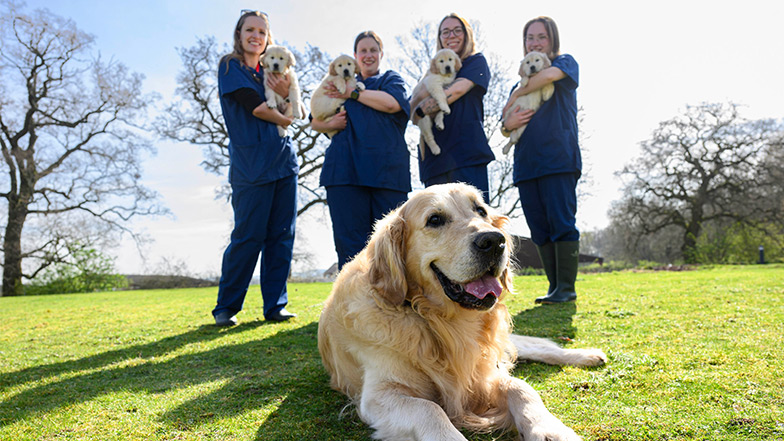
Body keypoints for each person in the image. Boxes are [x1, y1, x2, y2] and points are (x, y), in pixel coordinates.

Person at [212, 10, 299, 326]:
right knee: (248, 236)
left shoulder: (273, 71)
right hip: (251, 166)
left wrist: (288, 97)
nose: (256, 36)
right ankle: (227, 307)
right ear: (240, 33)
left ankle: (275, 306)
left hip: (284, 163)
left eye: (262, 32)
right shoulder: (230, 66)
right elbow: (259, 108)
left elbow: (290, 103)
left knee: (282, 235)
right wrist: (286, 116)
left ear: (268, 38)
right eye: (250, 30)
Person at [312, 31, 411, 270]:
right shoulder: (335, 82)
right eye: (363, 51)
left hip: (387, 175)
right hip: (344, 173)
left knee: (393, 245)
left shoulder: (390, 80)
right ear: (355, 57)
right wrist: (328, 124)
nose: (368, 55)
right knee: (350, 248)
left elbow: (392, 103)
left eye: (373, 50)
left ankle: (397, 304)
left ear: (381, 54)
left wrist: (353, 93)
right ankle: (354, 305)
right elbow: (314, 119)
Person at [501, 16, 581, 304]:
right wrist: (507, 124)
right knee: (539, 227)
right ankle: (554, 287)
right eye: (529, 38)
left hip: (558, 159)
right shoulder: (516, 86)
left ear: (552, 41)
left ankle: (567, 289)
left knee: (562, 221)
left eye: (541, 37)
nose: (534, 42)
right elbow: (505, 122)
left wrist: (520, 92)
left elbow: (546, 78)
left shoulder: (565, 64)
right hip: (526, 165)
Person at [410, 13, 494, 202]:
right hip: (434, 161)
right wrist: (417, 109)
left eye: (457, 30)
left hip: (467, 154)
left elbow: (456, 91)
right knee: (437, 226)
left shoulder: (474, 62)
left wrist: (422, 109)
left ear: (466, 34)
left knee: (475, 221)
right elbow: (411, 110)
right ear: (439, 38)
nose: (451, 36)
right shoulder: (431, 72)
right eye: (445, 32)